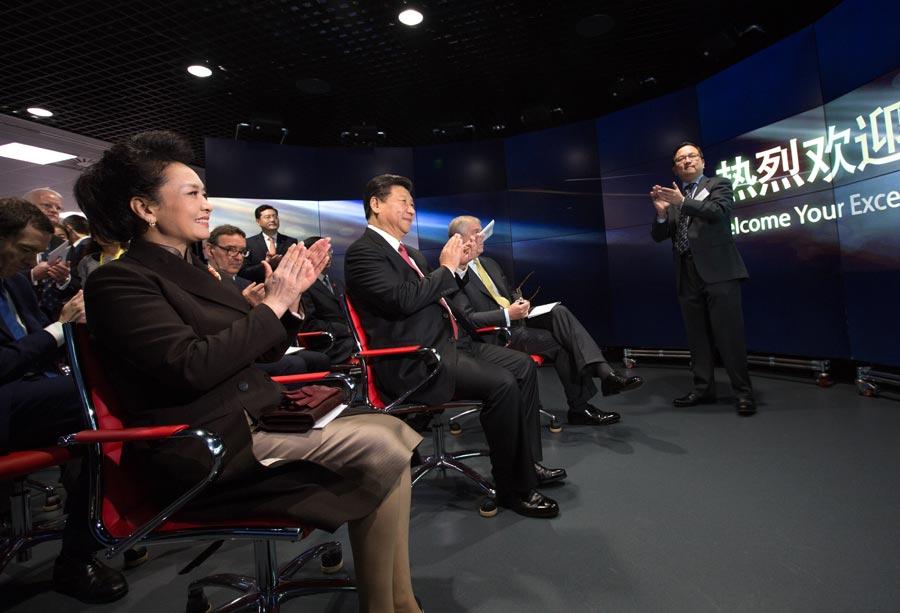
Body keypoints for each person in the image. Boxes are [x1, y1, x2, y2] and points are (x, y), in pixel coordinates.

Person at [76, 131, 423, 613]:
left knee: (392, 436)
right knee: (384, 445)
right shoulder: (118, 281)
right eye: (192, 193)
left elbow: (265, 350)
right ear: (145, 208)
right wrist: (272, 305)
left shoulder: (196, 273)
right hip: (208, 443)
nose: (207, 204)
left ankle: (398, 601)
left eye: (204, 192)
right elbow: (191, 367)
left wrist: (287, 302)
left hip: (254, 418)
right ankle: (388, 606)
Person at [345, 173, 560, 518]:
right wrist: (446, 268)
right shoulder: (363, 253)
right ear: (376, 204)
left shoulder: (411, 254)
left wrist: (458, 269)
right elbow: (402, 300)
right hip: (417, 360)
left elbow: (436, 294)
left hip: (449, 345)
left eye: (413, 204)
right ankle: (513, 489)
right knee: (502, 383)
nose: (411, 210)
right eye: (403, 202)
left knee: (521, 366)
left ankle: (527, 465)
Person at [0, 197, 128, 603]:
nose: (30, 262)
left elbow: (36, 333)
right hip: (8, 401)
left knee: (99, 416)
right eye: (24, 250)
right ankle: (84, 548)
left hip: (38, 394)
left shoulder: (16, 281)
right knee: (106, 396)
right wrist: (59, 329)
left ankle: (83, 546)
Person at [448, 215, 643, 426]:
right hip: (494, 334)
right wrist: (507, 314)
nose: (483, 236)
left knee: (559, 312)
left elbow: (508, 293)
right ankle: (583, 405)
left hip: (515, 319)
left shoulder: (490, 263)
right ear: (459, 239)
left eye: (482, 231)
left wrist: (519, 302)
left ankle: (605, 373)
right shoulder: (451, 273)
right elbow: (468, 319)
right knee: (560, 343)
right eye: (477, 233)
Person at [650, 141, 755, 416]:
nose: (686, 161)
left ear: (702, 161)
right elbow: (659, 236)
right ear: (675, 168)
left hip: (719, 272)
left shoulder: (718, 184)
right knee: (697, 337)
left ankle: (743, 393)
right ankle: (703, 389)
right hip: (687, 273)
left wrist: (682, 202)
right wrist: (661, 213)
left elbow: (718, 212)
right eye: (680, 159)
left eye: (691, 156)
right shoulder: (675, 197)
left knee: (729, 335)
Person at [205, 224, 330, 375]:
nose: (238, 257)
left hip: (263, 346)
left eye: (243, 252)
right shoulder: (202, 283)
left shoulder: (249, 284)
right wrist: (255, 308)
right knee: (295, 364)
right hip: (226, 355)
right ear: (209, 250)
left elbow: (275, 330)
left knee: (318, 360)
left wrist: (292, 294)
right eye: (231, 250)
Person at [299, 235, 356, 364]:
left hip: (348, 337)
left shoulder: (337, 283)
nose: (328, 256)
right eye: (322, 252)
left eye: (329, 251)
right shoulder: (304, 286)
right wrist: (344, 329)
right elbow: (310, 325)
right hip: (328, 343)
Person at [239, 204, 298, 282]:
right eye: (268, 217)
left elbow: (296, 269)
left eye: (275, 216)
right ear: (258, 222)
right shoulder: (248, 243)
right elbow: (242, 273)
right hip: (259, 287)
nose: (272, 220)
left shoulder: (291, 242)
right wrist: (266, 264)